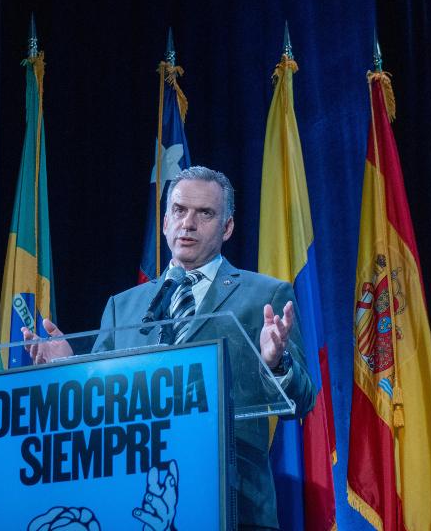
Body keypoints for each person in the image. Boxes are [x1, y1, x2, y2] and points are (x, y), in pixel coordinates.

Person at [23, 166, 315, 530]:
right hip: (135, 505)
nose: (188, 223)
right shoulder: (123, 306)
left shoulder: (265, 296)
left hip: (235, 505)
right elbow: (104, 408)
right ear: (164, 221)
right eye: (179, 210)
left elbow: (303, 400)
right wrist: (75, 368)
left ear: (227, 227)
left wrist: (275, 362)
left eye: (204, 213)